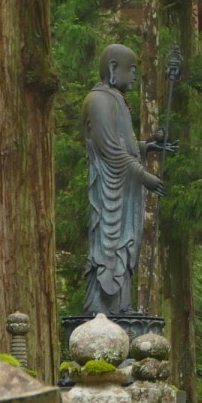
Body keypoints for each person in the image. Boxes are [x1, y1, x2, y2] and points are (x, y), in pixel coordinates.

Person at [82, 43, 167, 316]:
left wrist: (146, 147)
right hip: (110, 191)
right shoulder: (98, 100)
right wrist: (144, 177)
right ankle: (102, 310)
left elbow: (125, 145)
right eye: (131, 70)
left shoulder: (115, 99)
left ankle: (122, 306)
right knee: (109, 249)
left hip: (124, 188)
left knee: (125, 246)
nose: (134, 76)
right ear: (112, 68)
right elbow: (111, 150)